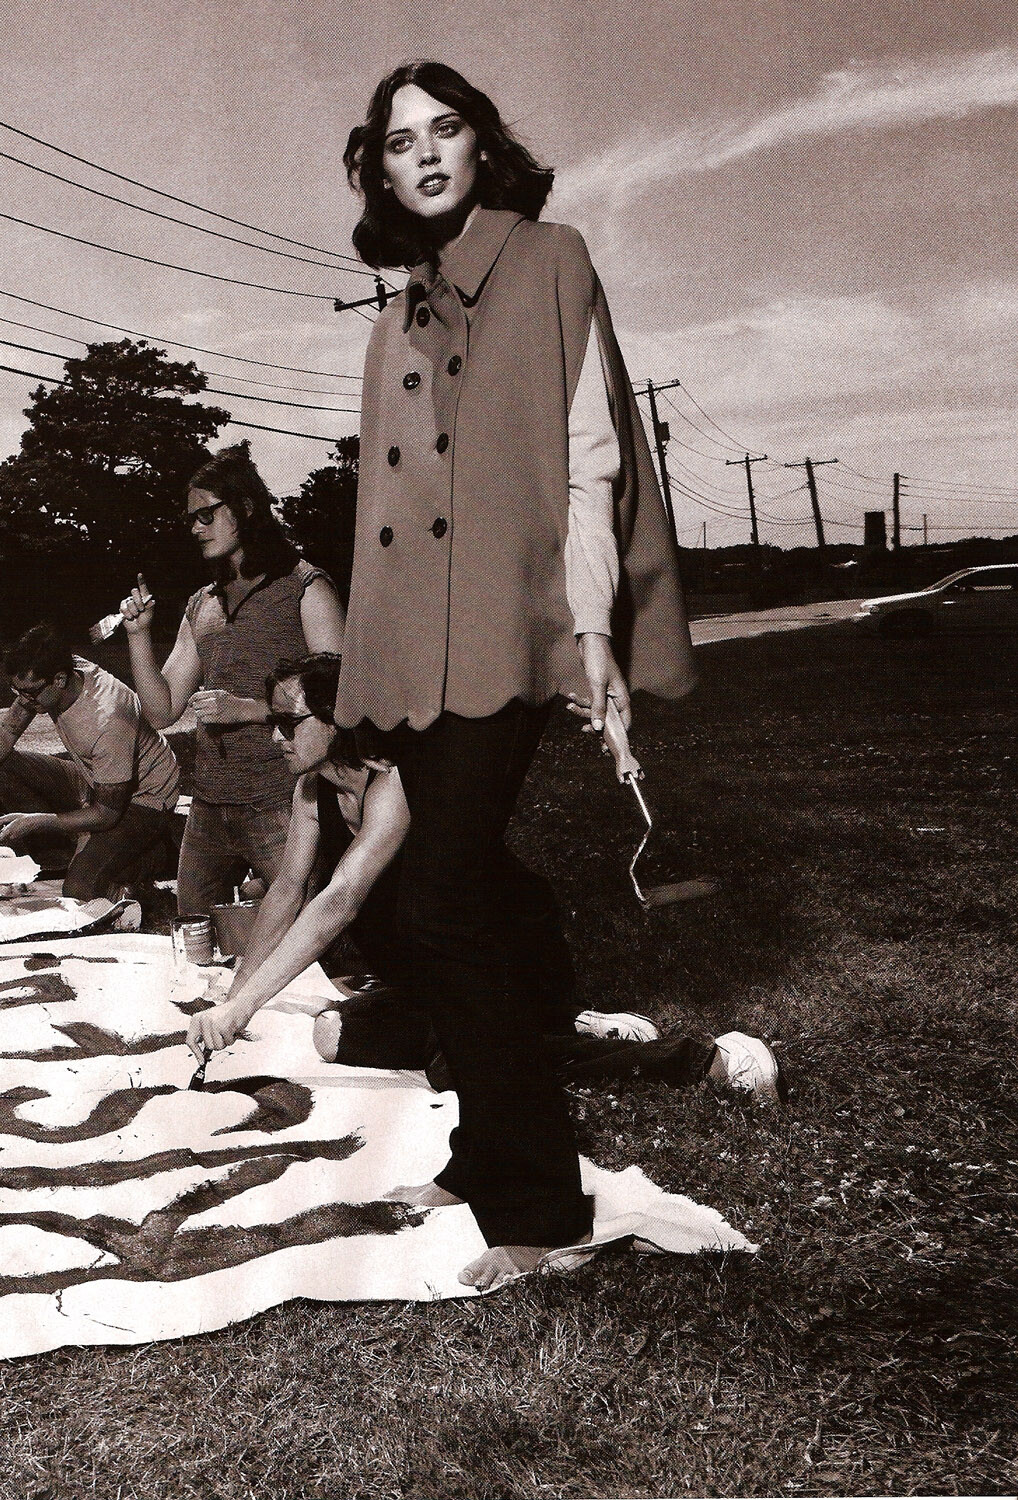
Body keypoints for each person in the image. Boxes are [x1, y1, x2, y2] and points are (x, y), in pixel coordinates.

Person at [334, 63, 700, 1290]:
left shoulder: (550, 259)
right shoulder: (394, 313)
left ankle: (539, 1207)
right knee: (423, 898)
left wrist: (589, 630)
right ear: (381, 173)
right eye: (401, 143)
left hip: (509, 629)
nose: (427, 154)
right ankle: (485, 1146)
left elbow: (590, 458)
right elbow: (384, 512)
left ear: (481, 146)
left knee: (440, 900)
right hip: (410, 651)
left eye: (446, 130)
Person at [186, 653, 780, 1106]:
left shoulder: (394, 781)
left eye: (287, 722)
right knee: (334, 1035)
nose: (274, 737)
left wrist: (241, 1012)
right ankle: (560, 1025)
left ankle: (702, 1061)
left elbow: (339, 899)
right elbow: (288, 891)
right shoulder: (312, 790)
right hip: (434, 972)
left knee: (457, 1068)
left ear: (336, 716)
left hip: (505, 952)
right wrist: (236, 997)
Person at [118, 441, 345, 917]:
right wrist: (139, 636)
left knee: (302, 937)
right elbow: (161, 711)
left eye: (206, 514)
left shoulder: (305, 587)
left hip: (283, 802)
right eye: (190, 519)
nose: (195, 528)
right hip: (208, 805)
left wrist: (250, 709)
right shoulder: (202, 603)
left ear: (245, 507)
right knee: (194, 931)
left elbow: (338, 695)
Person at [0, 623, 180, 901]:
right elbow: (10, 729)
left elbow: (105, 814)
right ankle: (61, 854)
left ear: (59, 680)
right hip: (95, 779)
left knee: (80, 892)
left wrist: (37, 822)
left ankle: (157, 856)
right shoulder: (59, 672)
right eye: (17, 691)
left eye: (30, 693)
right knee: (5, 767)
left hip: (143, 799)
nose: (23, 700)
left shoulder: (108, 720)